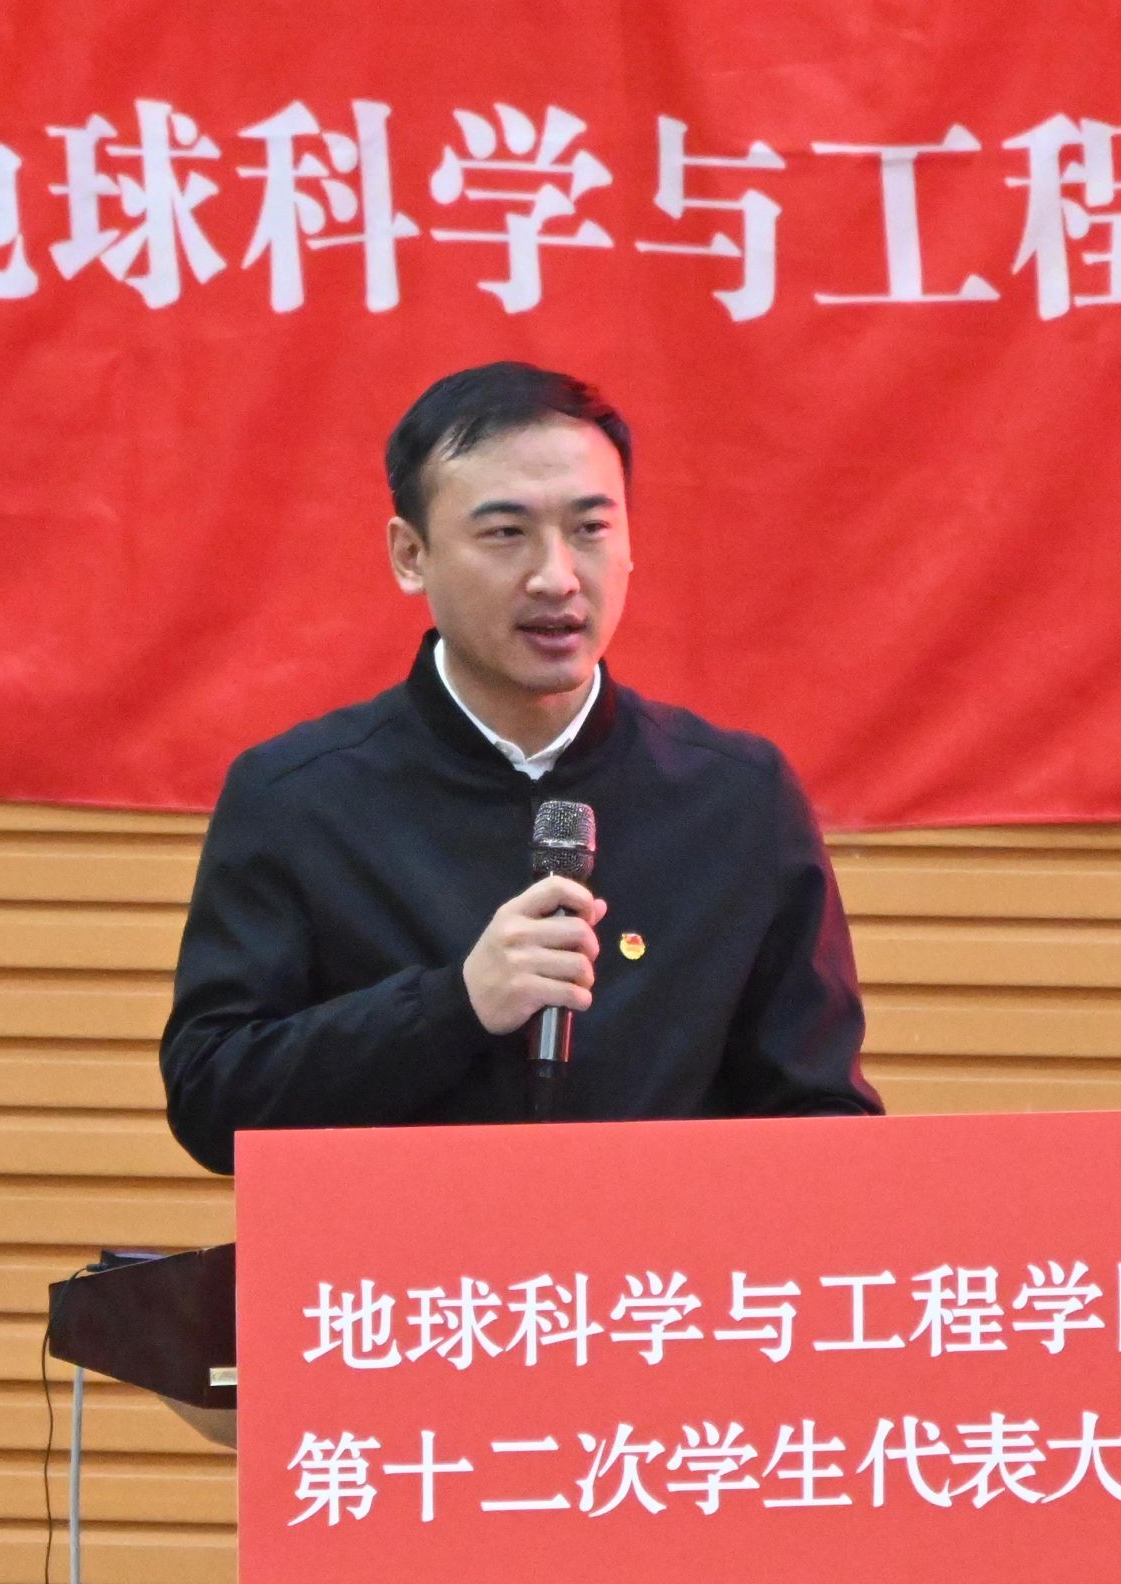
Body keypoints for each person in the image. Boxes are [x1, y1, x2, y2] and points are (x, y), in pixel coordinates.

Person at [159, 361, 882, 1174]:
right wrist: (453, 1005)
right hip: (399, 1256)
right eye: (506, 533)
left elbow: (821, 1113)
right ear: (411, 554)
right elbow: (211, 1099)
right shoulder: (298, 797)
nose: (556, 577)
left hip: (657, 1256)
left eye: (590, 528)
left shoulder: (737, 798)